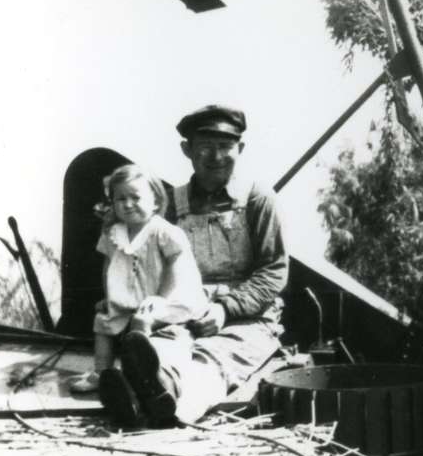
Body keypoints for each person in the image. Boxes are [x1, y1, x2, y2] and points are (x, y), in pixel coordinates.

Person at [98, 105, 288, 427]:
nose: (216, 156)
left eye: (225, 146)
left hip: (248, 319)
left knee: (214, 360)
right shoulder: (170, 203)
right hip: (182, 309)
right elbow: (139, 256)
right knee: (161, 346)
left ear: (240, 148)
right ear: (187, 150)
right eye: (204, 147)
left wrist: (226, 308)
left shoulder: (258, 199)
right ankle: (136, 394)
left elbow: (273, 270)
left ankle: (166, 398)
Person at [70, 164, 207, 395]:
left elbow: (176, 267)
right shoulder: (113, 232)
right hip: (129, 298)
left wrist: (159, 298)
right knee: (103, 322)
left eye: (135, 197)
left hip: (167, 298)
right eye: (120, 198)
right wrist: (110, 297)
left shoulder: (163, 232)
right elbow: (108, 266)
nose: (128, 204)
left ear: (155, 201)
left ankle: (139, 377)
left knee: (141, 323)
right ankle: (102, 373)